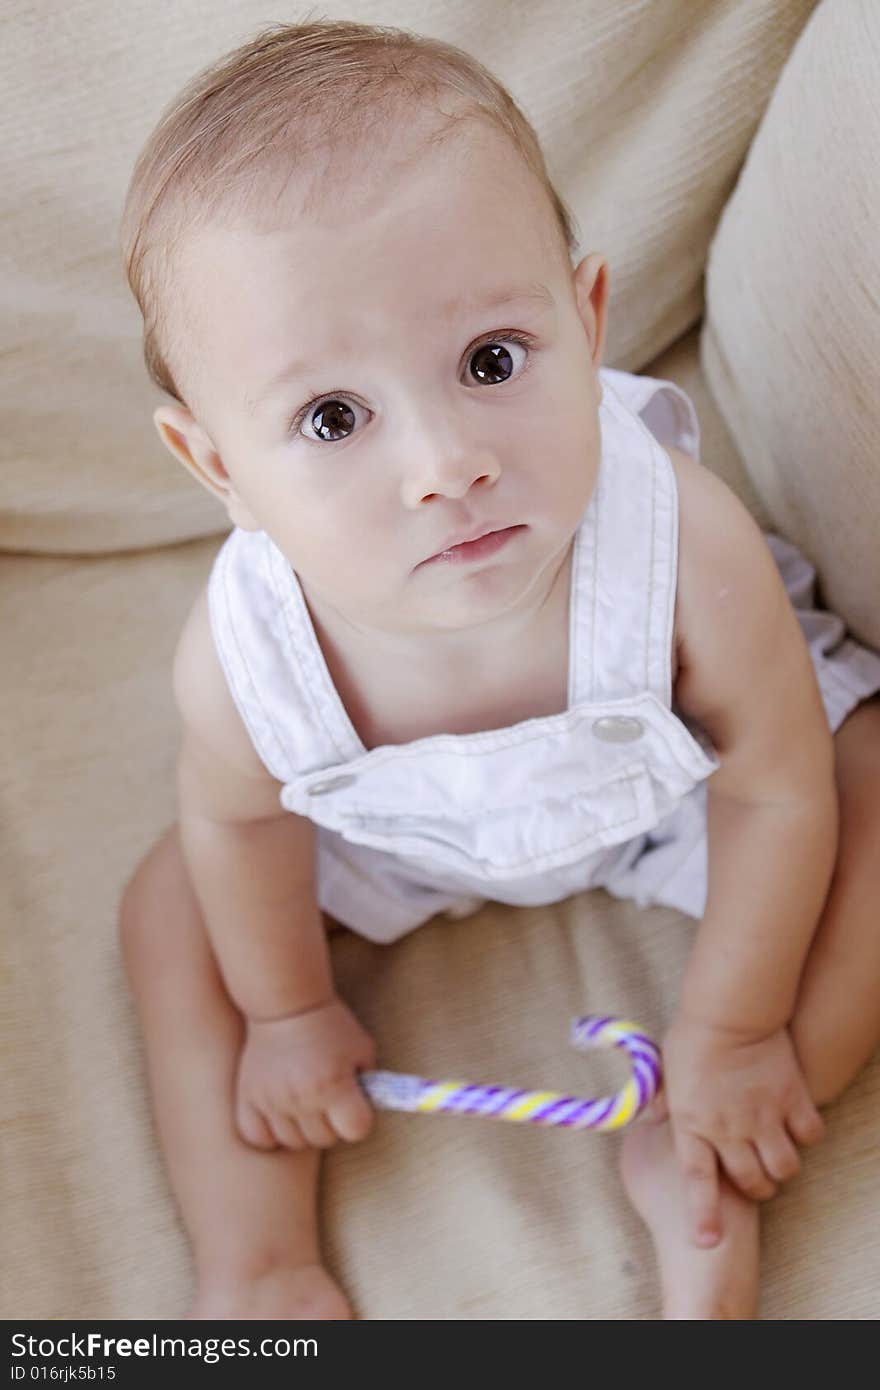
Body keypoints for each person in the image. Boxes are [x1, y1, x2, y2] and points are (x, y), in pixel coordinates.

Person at [118, 20, 880, 1320]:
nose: (443, 462)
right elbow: (244, 826)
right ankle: (258, 1258)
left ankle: (704, 1138)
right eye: (332, 417)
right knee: (173, 905)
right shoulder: (245, 653)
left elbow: (774, 782)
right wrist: (289, 1009)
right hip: (400, 828)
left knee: (867, 775)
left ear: (586, 323)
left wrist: (735, 1024)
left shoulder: (680, 540)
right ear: (218, 468)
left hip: (666, 781)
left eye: (490, 363)